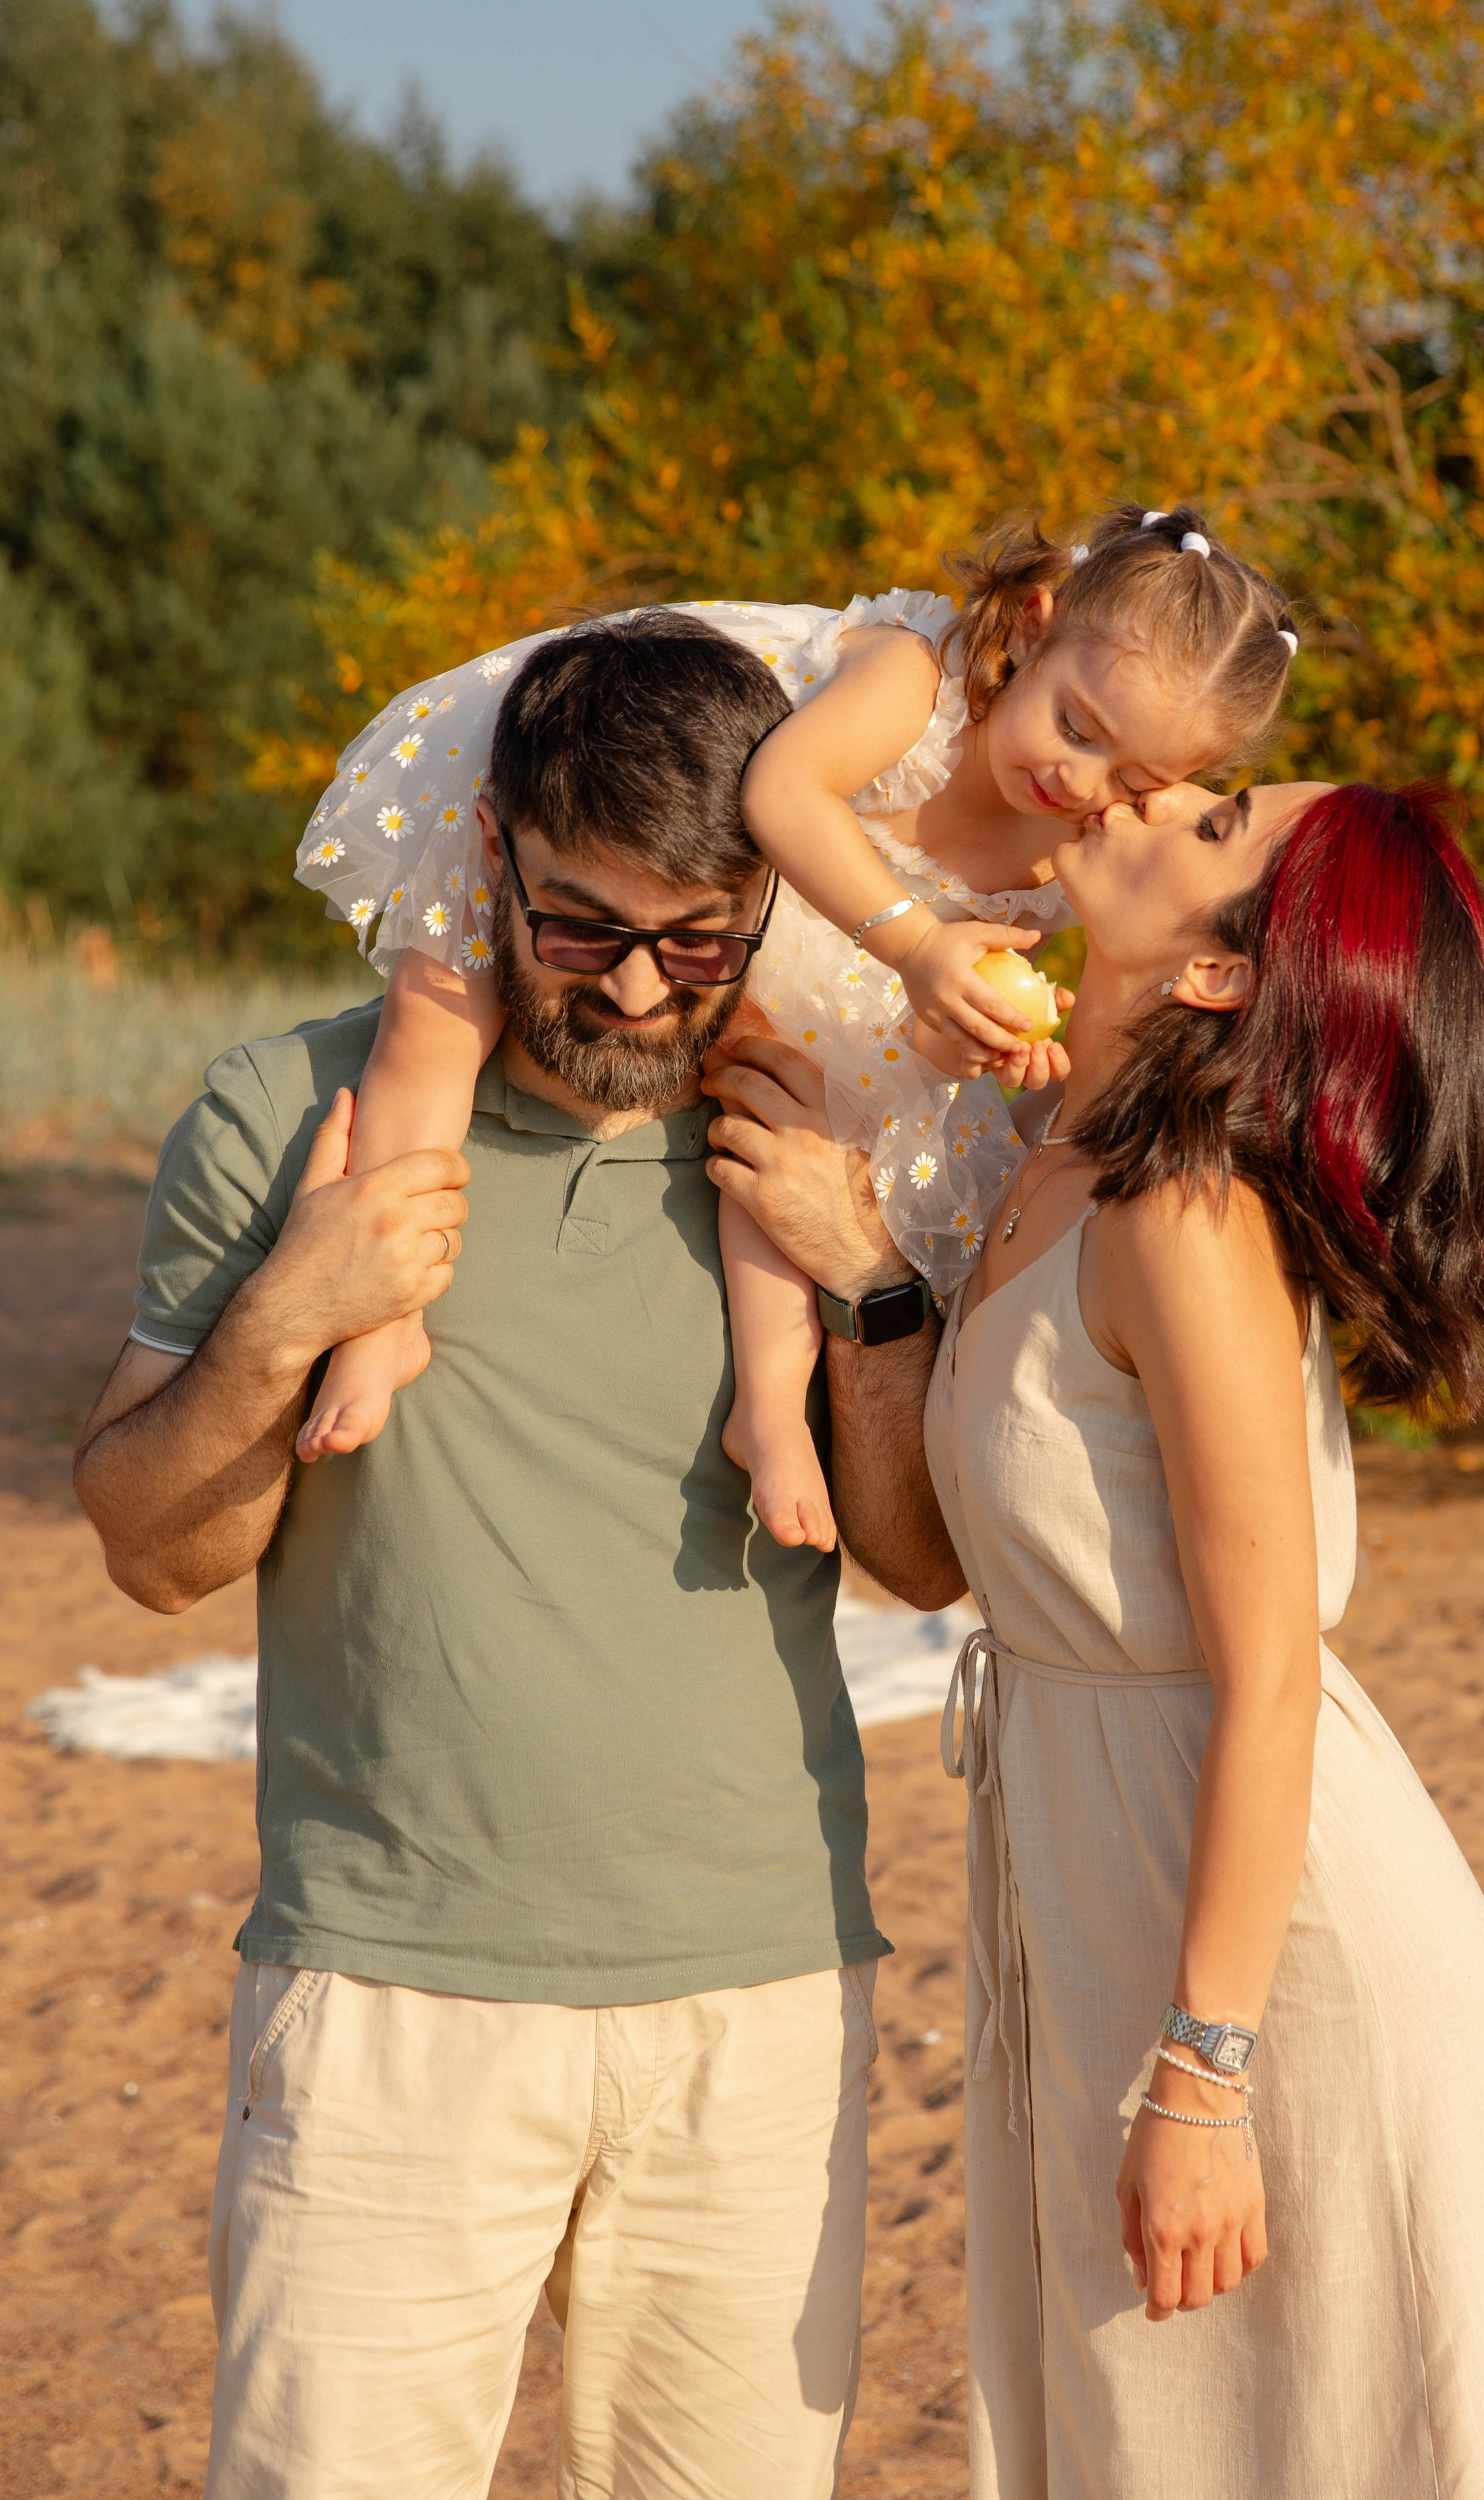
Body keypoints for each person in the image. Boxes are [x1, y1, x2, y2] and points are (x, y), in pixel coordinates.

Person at [72, 611, 959, 2500]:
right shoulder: (281, 1117)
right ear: (490, 857)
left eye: (697, 939)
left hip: (761, 2000)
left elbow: (918, 1562)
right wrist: (288, 1320)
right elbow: (156, 1552)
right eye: (580, 925)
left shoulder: (829, 1137)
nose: (638, 992)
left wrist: (870, 1276)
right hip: (392, 1996)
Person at [924, 778, 1484, 2495]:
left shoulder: (1185, 1217)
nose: (1143, 794)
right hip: (1097, 1871)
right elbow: (931, 1562)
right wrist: (867, 1290)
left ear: (1216, 976)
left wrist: (1207, 2075)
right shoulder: (1039, 1152)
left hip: (1276, 1954)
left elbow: (1271, 1669)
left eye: (1210, 823)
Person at [291, 503, 1300, 1560]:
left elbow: (909, 1021)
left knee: (797, 1121)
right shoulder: (918, 680)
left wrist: (963, 1035)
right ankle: (381, 1317)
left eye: (1135, 781)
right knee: (436, 1016)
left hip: (749, 912)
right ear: (1036, 628)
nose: (1082, 784)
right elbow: (779, 792)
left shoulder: (1066, 859)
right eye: (1079, 727)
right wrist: (919, 950)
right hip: (625, 773)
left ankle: (769, 1407)